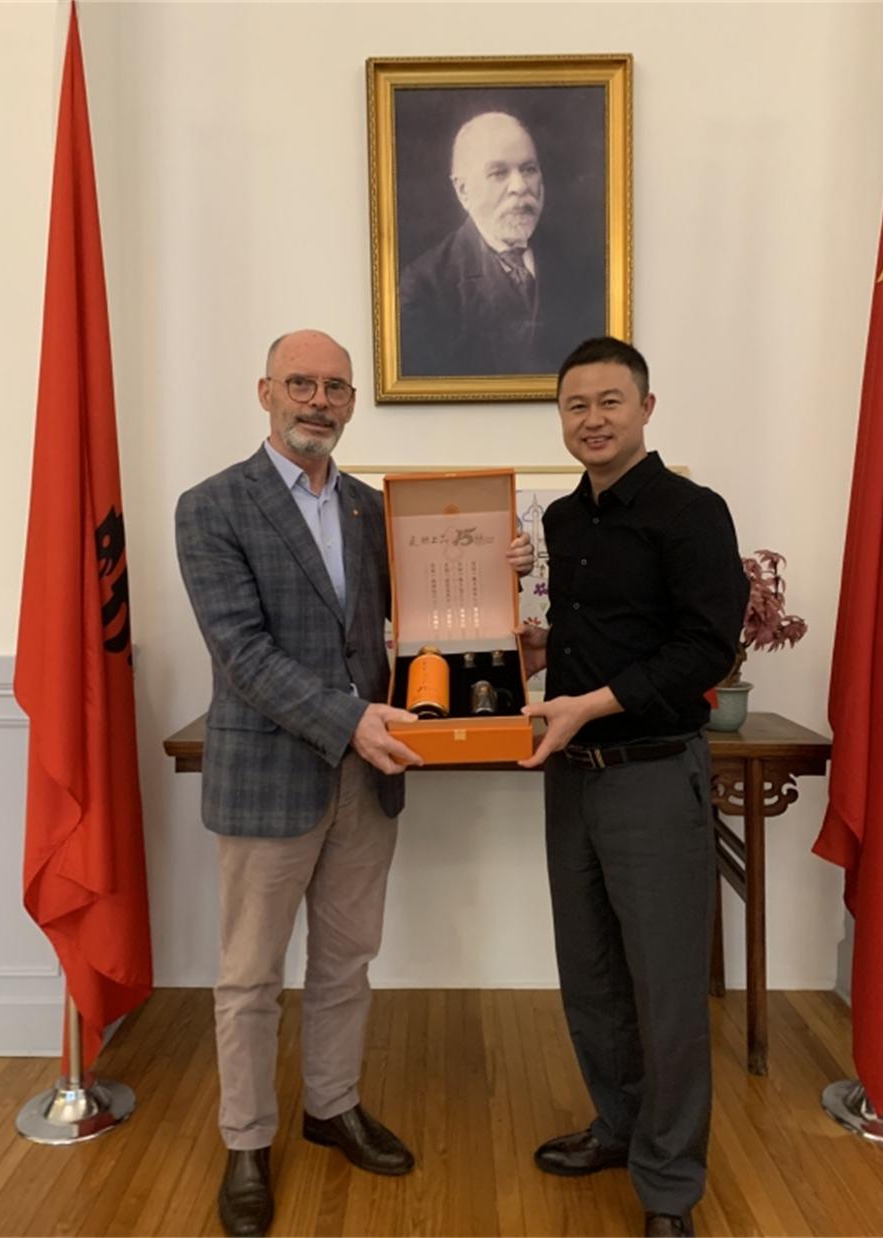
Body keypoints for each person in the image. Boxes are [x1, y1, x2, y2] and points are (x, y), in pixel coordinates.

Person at [176, 328, 533, 1237]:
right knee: (249, 977)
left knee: (346, 961)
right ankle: (247, 1142)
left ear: (350, 403)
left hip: (367, 780)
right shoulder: (211, 507)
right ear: (265, 392)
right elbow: (241, 652)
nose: (319, 401)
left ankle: (331, 1106)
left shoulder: (377, 511)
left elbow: (428, 622)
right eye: (300, 383)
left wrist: (495, 575)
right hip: (271, 776)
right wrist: (348, 720)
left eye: (335, 387)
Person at [517, 337, 748, 1238]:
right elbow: (588, 636)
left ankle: (670, 1186)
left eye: (610, 401)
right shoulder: (563, 520)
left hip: (651, 775)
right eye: (576, 405)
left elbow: (705, 648)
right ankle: (617, 1126)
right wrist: (518, 636)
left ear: (646, 408)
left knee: (667, 991)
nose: (593, 420)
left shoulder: (693, 512)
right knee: (591, 976)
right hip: (569, 780)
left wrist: (590, 705)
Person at [399, 111, 603, 377]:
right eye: (498, 173)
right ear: (463, 191)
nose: (520, 186)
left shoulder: (583, 265)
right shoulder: (425, 287)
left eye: (529, 169)